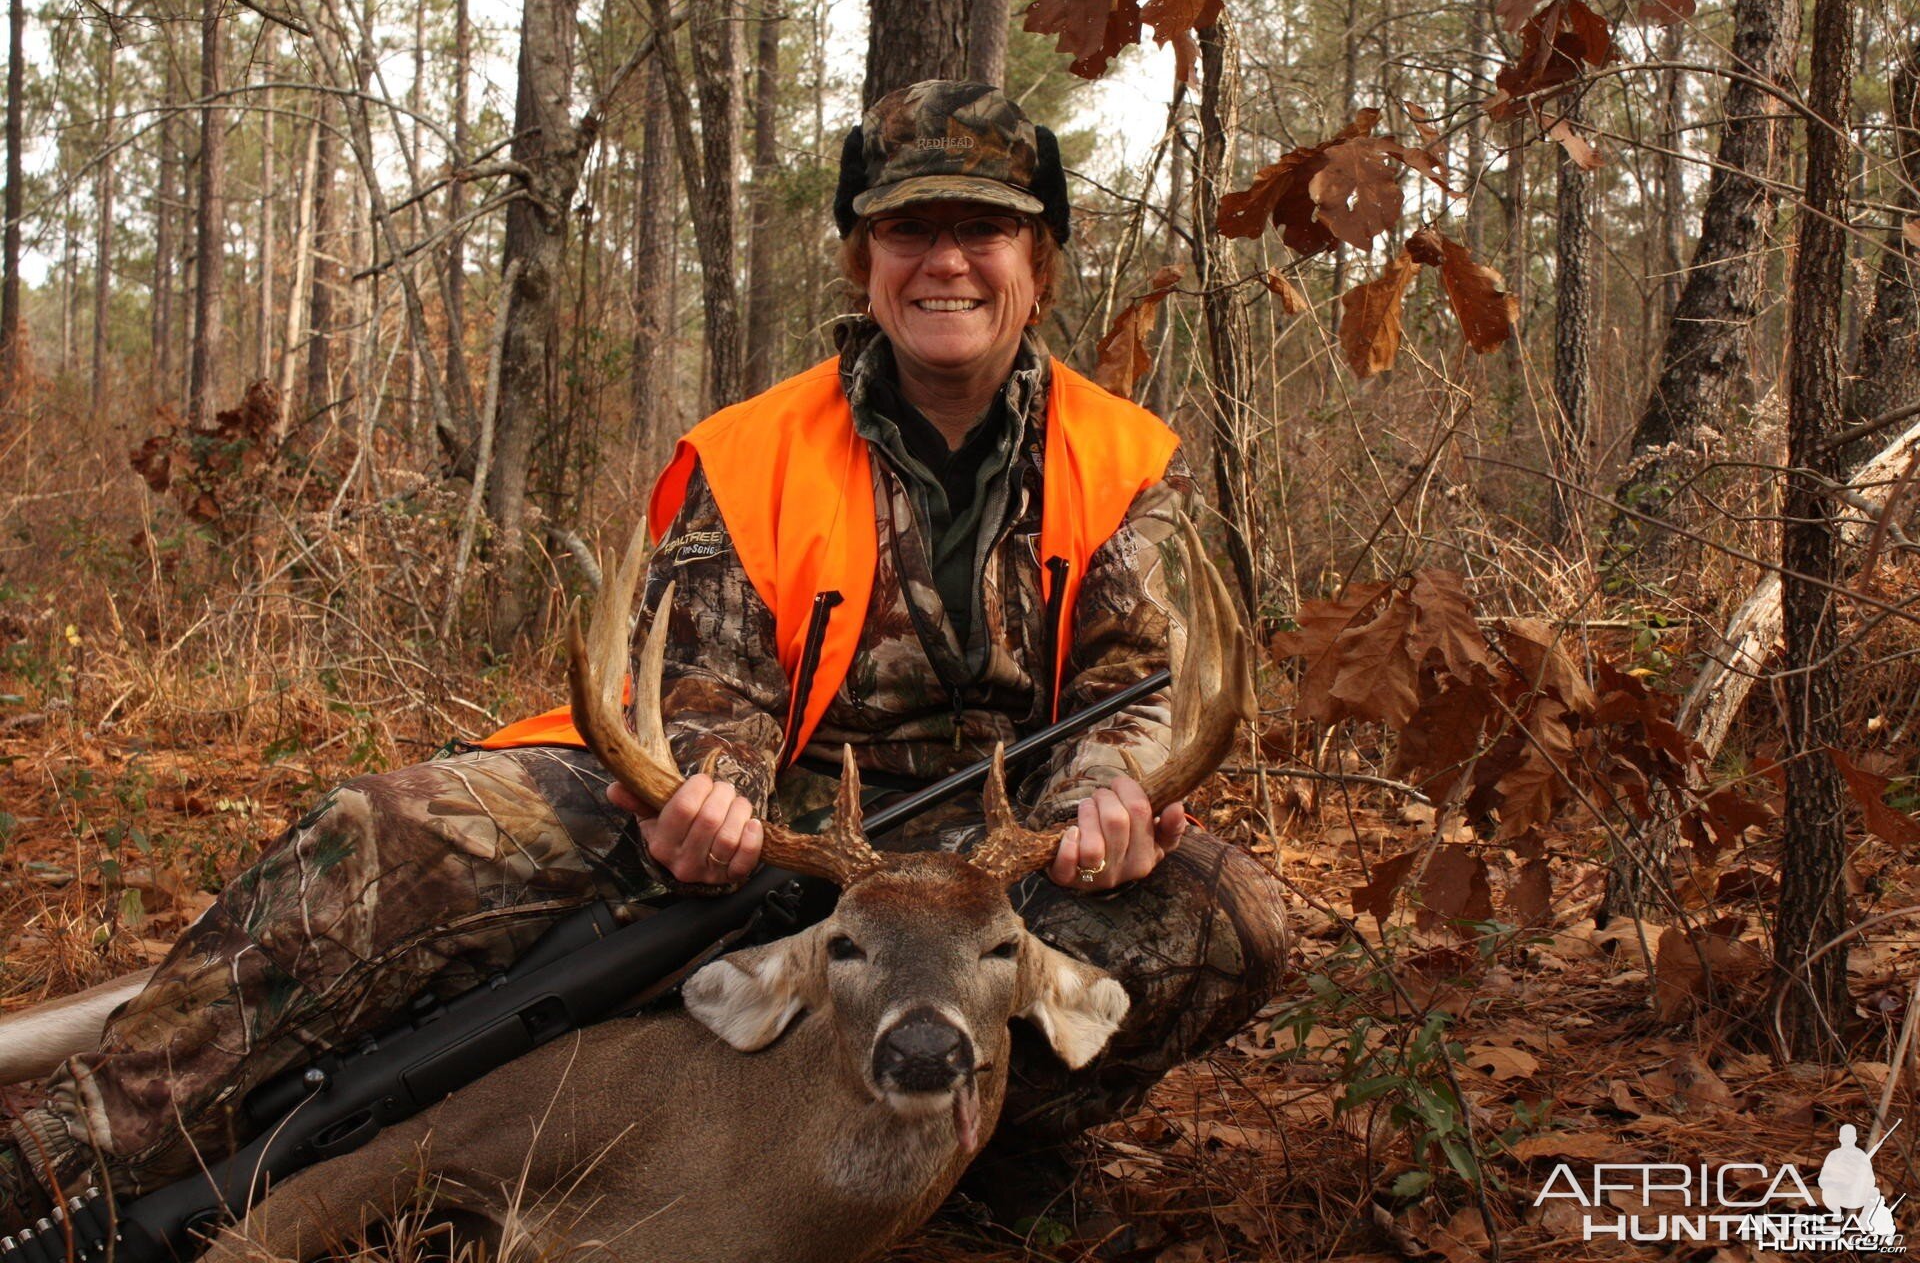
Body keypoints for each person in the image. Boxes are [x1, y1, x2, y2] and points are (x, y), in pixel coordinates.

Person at [0, 80, 1287, 1235]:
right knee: (387, 832)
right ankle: (69, 1154)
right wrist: (710, 790)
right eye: (909, 229)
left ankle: (974, 1153)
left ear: (1036, 260)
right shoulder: (755, 451)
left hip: (987, 851)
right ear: (864, 260)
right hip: (770, 815)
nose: (945, 260)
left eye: (984, 229)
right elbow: (704, 679)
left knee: (1232, 918)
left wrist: (1105, 807)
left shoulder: (1124, 463)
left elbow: (1145, 687)